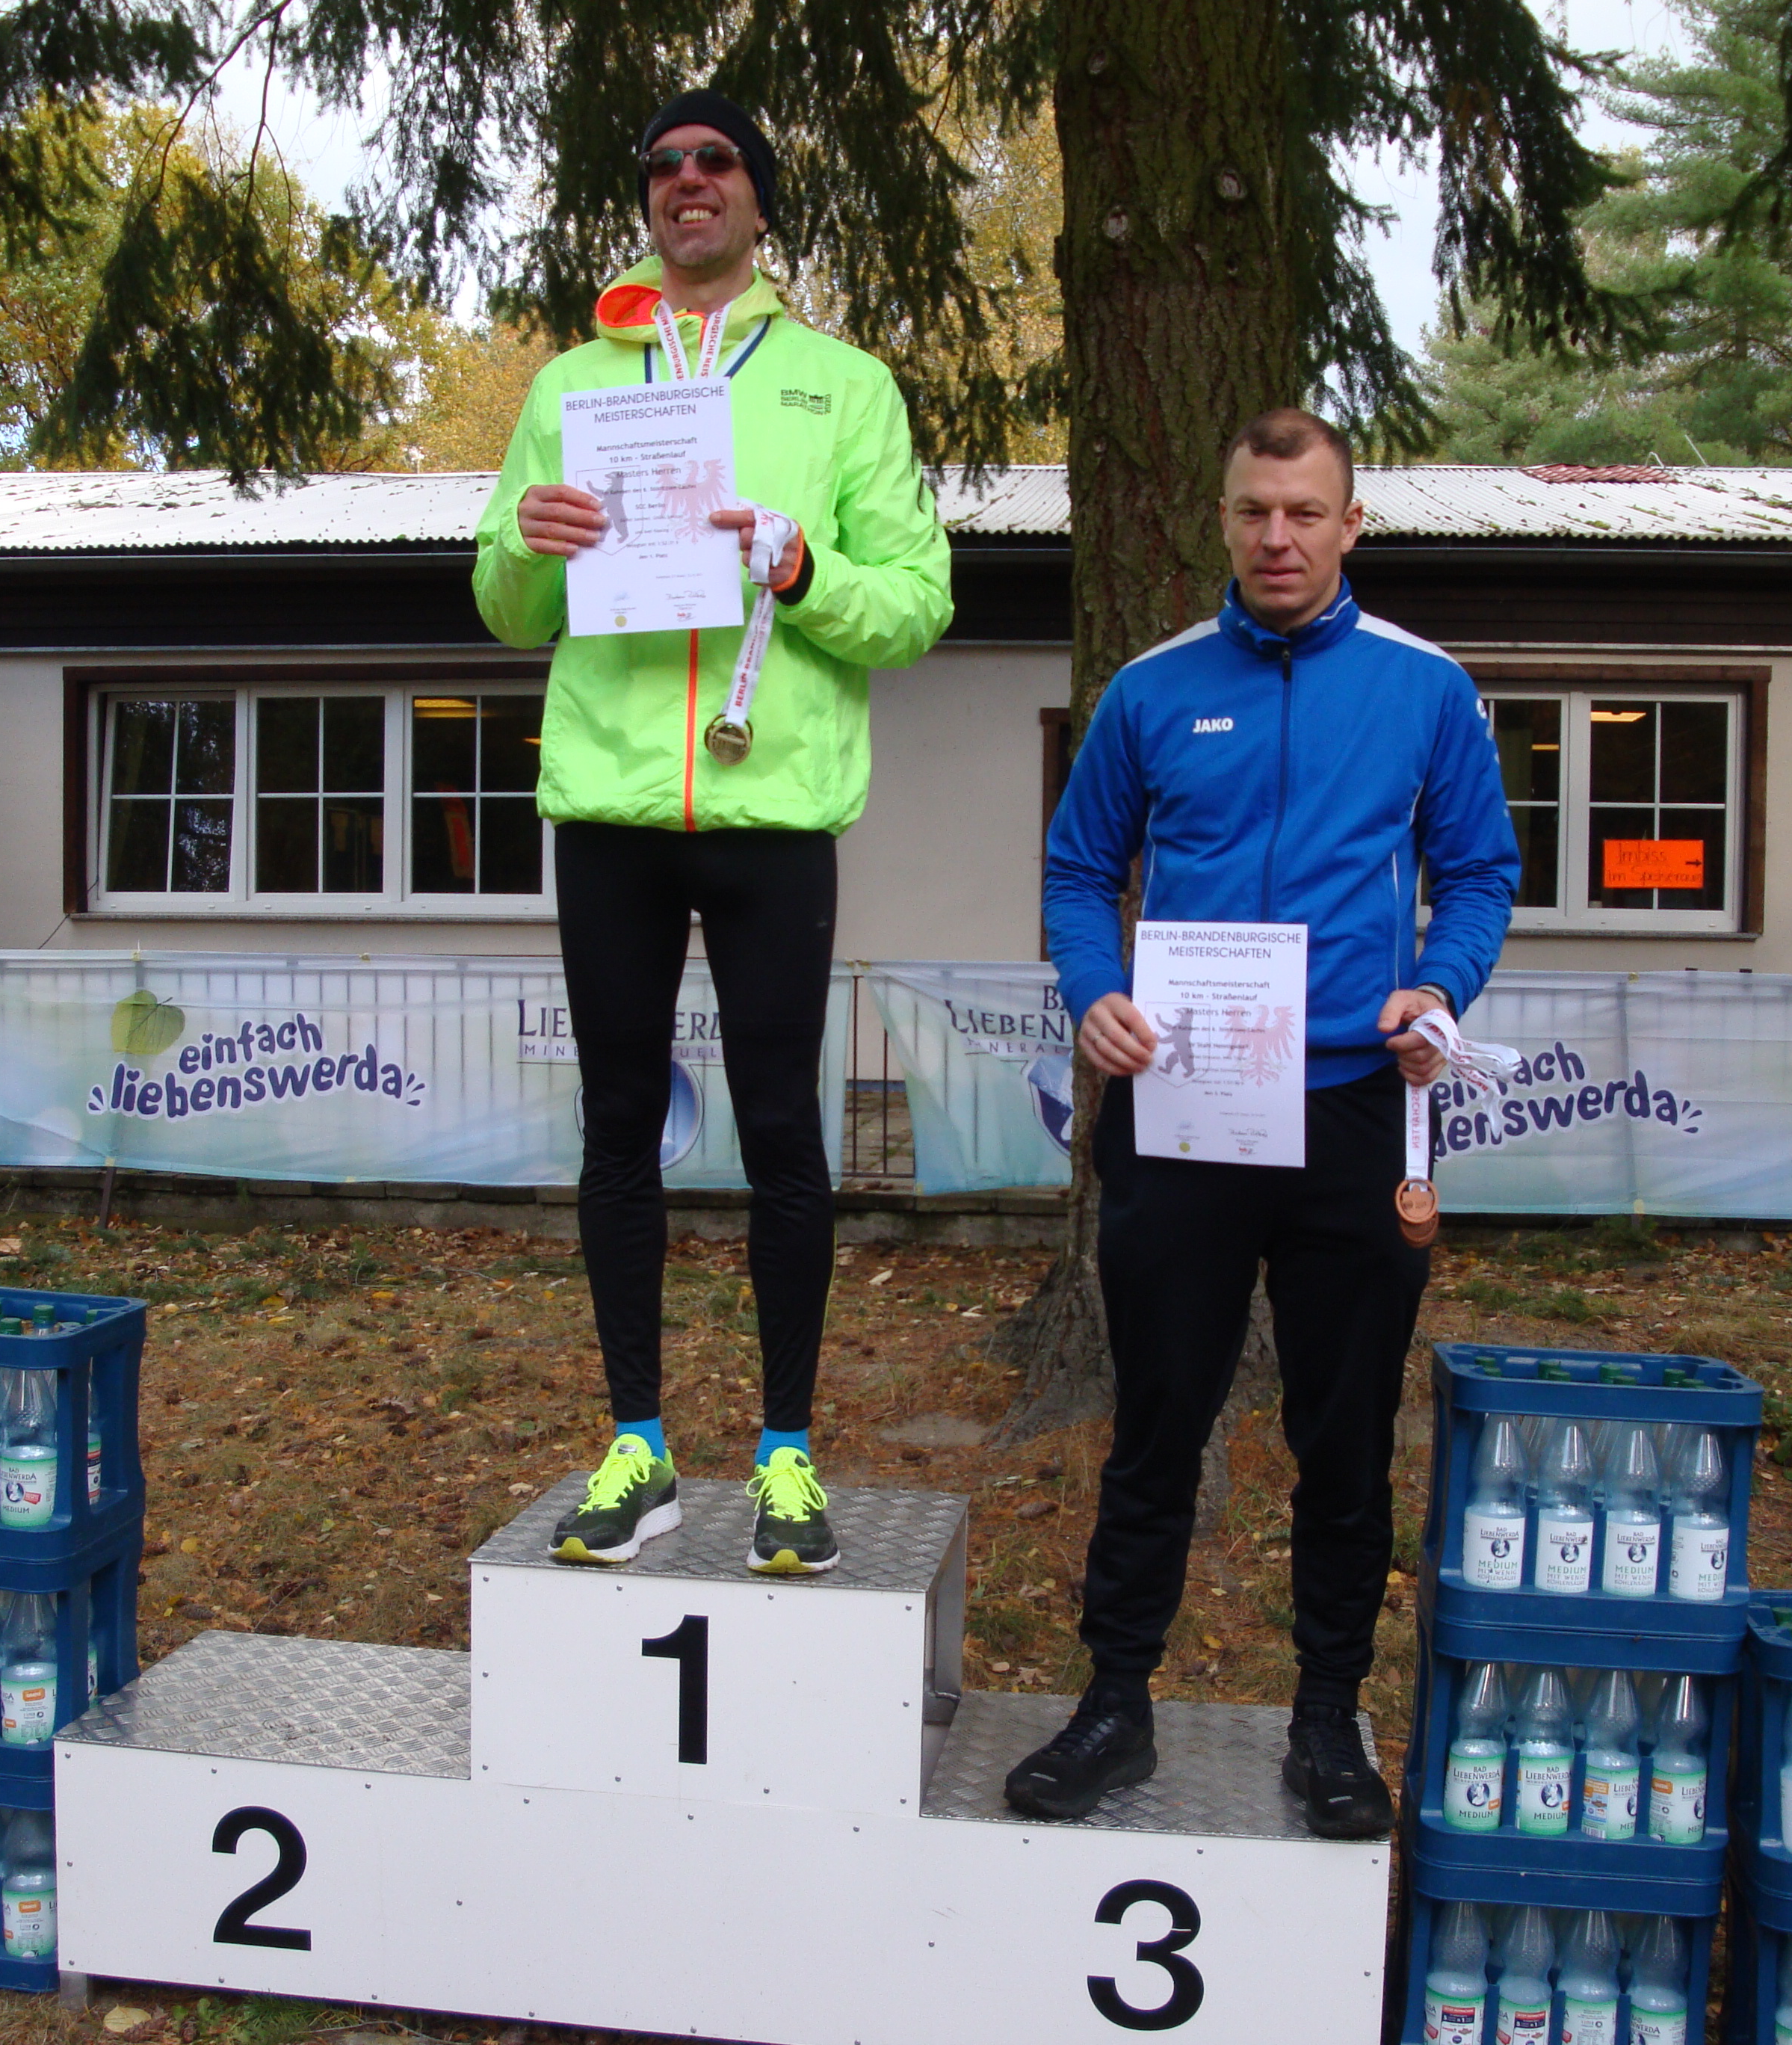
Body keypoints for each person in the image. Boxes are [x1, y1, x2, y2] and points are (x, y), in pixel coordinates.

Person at [1006, 407, 1520, 1838]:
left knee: (1342, 1438)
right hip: (1184, 1107)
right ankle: (1116, 1705)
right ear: (1223, 520)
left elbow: (1481, 871)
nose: (1277, 538)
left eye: (1305, 513)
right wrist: (1096, 992)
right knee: (1156, 1423)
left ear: (1351, 524)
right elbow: (1077, 868)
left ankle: (1328, 1720)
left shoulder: (1425, 688)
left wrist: (1440, 983)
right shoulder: (1152, 690)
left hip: (1356, 1111)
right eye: (1253, 512)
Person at [476, 89, 953, 1574]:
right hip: (612, 807)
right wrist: (527, 547)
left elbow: (918, 604)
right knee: (617, 1128)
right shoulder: (572, 383)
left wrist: (808, 574)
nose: (688, 180)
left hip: (772, 808)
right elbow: (502, 603)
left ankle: (787, 1457)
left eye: (717, 161)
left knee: (783, 1133)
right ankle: (638, 1445)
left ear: (757, 197)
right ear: (649, 201)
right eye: (664, 165)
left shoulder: (841, 386)